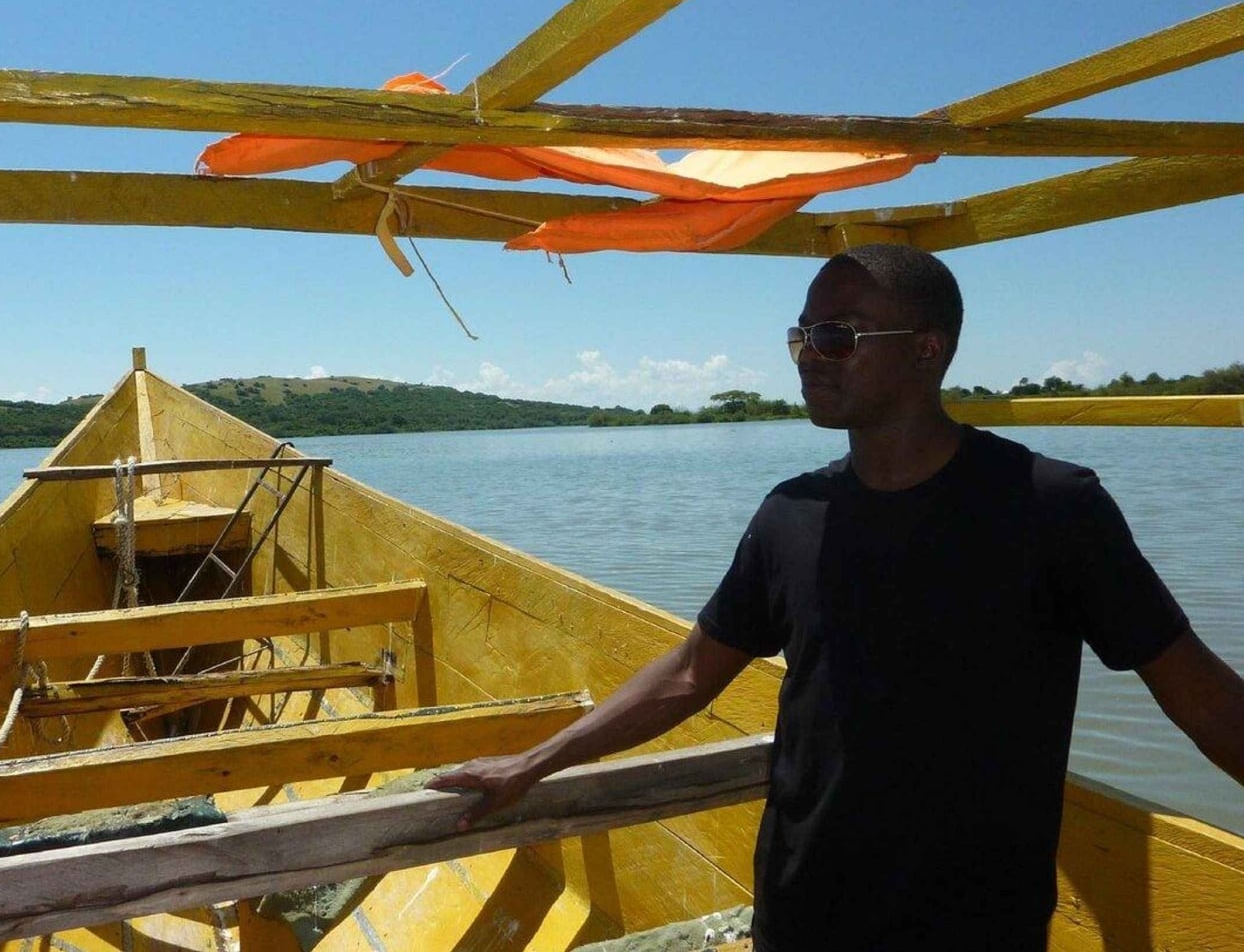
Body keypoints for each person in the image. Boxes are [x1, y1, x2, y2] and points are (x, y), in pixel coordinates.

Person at [427, 244, 1244, 952]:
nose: (809, 354)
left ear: (928, 349)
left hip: (974, 924)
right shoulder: (792, 514)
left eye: (836, 335)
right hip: (803, 908)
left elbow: (1200, 698)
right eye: (802, 335)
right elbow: (687, 675)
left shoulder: (1050, 508)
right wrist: (531, 764)